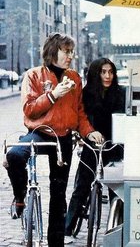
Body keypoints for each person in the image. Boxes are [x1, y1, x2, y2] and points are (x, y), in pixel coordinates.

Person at [5, 33, 103, 247]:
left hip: (64, 138)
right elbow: (29, 110)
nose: (71, 56)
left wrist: (89, 132)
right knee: (13, 155)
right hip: (39, 132)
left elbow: (79, 113)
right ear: (53, 51)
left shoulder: (75, 78)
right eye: (66, 51)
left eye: (71, 52)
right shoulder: (33, 75)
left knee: (59, 195)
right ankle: (20, 196)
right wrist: (53, 95)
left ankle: (55, 244)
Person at [65, 58, 125, 238]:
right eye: (103, 72)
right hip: (92, 146)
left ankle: (117, 232)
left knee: (116, 190)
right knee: (81, 187)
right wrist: (86, 136)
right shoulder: (86, 94)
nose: (108, 76)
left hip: (114, 146)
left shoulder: (120, 93)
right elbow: (81, 119)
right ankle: (67, 229)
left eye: (111, 72)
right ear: (95, 74)